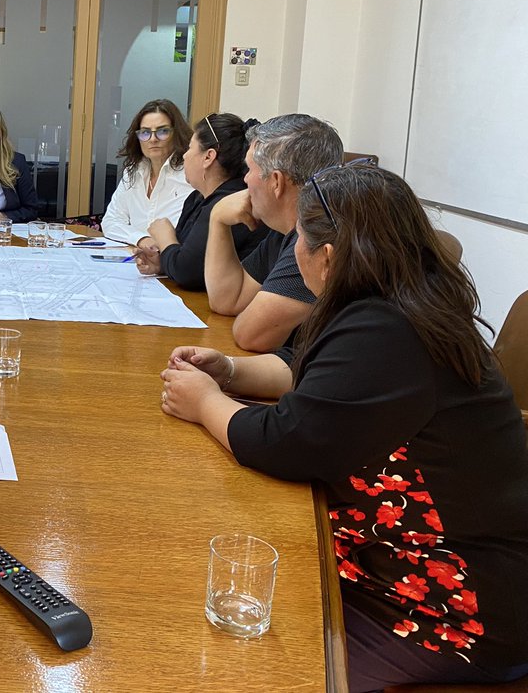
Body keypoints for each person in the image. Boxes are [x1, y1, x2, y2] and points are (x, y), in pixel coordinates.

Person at [158, 164, 528, 692]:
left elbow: (288, 442)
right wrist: (231, 371)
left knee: (237, 667)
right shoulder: (399, 301)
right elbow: (312, 378)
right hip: (401, 565)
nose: (295, 254)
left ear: (326, 257)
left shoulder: (385, 331)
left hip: (453, 612)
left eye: (298, 244)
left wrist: (206, 403)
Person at [203, 113, 342, 352]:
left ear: (276, 182)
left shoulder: (320, 239)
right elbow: (229, 299)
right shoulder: (286, 230)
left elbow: (251, 335)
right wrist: (217, 220)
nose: (244, 179)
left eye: (249, 169)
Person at [135, 113, 268, 289]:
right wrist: (162, 262)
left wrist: (165, 237)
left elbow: (187, 272)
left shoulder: (231, 202)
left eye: (190, 149)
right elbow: (185, 257)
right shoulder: (196, 198)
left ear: (208, 157)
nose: (184, 156)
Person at [100, 99, 194, 251]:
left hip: (174, 266)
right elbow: (110, 221)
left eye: (162, 131)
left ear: (176, 133)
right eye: (145, 132)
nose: (153, 139)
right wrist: (142, 239)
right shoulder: (133, 171)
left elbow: (191, 234)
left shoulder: (189, 175)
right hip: (134, 261)